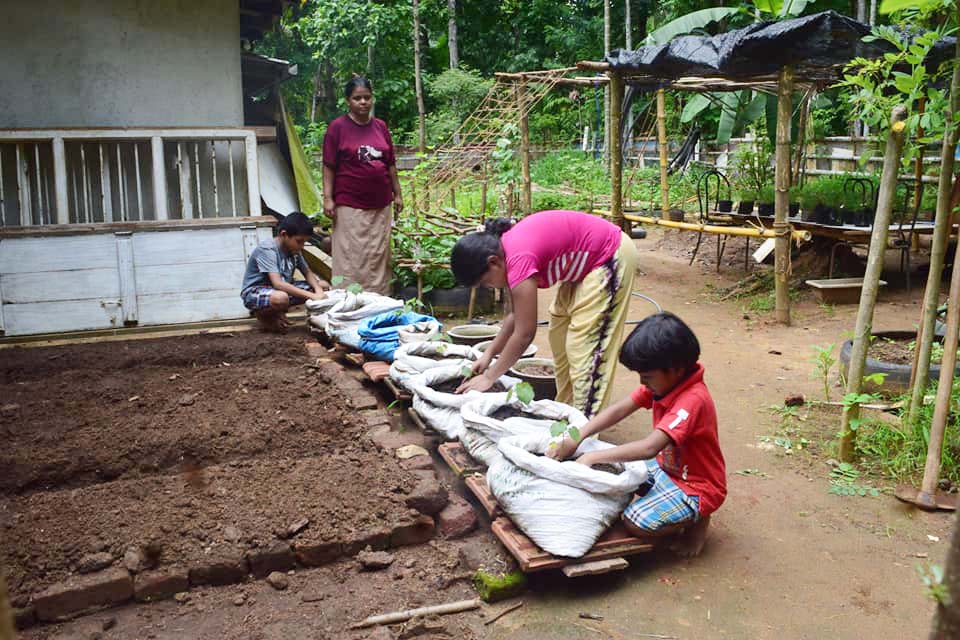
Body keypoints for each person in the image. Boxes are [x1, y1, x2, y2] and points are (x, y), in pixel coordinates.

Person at [547, 313, 726, 557]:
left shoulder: (692, 400)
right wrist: (576, 437)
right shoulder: (667, 383)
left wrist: (593, 457)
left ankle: (697, 519)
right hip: (668, 468)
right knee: (617, 470)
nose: (643, 381)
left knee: (635, 521)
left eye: (647, 376)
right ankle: (672, 507)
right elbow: (620, 409)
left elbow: (649, 448)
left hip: (696, 486)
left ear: (675, 369)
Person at [450, 210, 638, 418]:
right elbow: (514, 315)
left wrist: (489, 377)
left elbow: (524, 334)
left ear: (493, 262)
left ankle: (583, 429)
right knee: (560, 336)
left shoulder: (518, 259)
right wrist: (488, 354)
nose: (490, 286)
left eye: (485, 282)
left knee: (585, 347)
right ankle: (566, 413)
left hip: (609, 254)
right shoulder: (507, 252)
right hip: (583, 267)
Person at [322, 77, 403, 295]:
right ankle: (348, 299)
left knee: (378, 252)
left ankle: (378, 299)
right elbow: (329, 166)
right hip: (349, 202)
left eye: (367, 97)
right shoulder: (337, 128)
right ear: (348, 101)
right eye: (357, 98)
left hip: (381, 202)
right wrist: (328, 198)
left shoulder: (380, 127)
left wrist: (398, 194)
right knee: (351, 253)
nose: (363, 102)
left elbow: (391, 164)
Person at [241, 212, 327, 333]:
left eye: (304, 242)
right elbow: (278, 284)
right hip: (255, 291)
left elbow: (307, 272)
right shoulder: (268, 249)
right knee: (281, 298)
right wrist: (313, 296)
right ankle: (264, 315)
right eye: (299, 241)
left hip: (280, 291)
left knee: (323, 286)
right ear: (284, 234)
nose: (302, 246)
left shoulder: (294, 249)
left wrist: (318, 291)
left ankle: (278, 313)